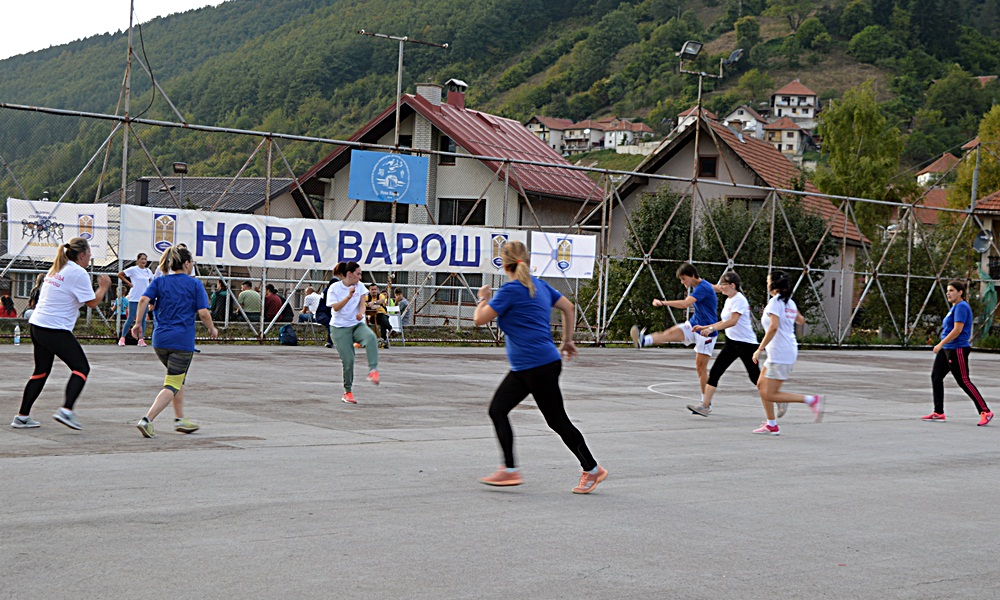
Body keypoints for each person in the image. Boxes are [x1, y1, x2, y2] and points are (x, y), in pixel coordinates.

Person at [473, 241, 608, 494]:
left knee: (556, 420)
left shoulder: (511, 290)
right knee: (499, 410)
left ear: (504, 263)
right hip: (535, 365)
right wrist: (567, 341)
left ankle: (592, 469)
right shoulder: (539, 286)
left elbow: (480, 319)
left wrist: (483, 299)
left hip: (534, 366)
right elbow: (568, 307)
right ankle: (510, 470)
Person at [11, 237, 111, 430]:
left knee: (41, 371)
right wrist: (104, 287)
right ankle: (66, 410)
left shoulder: (57, 268)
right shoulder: (78, 272)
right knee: (81, 368)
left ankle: (22, 416)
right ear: (81, 255)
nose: (90, 257)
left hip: (38, 326)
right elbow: (91, 303)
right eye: (89, 254)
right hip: (54, 328)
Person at [134, 246, 219, 438]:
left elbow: (143, 300)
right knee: (172, 383)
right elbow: (204, 312)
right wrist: (212, 328)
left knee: (178, 378)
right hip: (181, 341)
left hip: (159, 340)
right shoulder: (194, 284)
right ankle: (147, 420)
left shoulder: (160, 281)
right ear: (187, 263)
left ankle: (180, 419)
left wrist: (138, 323)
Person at [630, 263, 719, 405]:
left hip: (706, 332)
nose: (682, 282)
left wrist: (662, 303)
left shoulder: (702, 288)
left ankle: (705, 403)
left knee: (701, 368)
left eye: (684, 279)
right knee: (671, 332)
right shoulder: (703, 285)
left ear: (692, 275)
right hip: (694, 324)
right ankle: (643, 340)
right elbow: (717, 288)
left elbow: (685, 304)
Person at [750, 270, 824, 436]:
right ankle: (771, 424)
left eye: (768, 281)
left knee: (770, 393)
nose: (767, 283)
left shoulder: (776, 303)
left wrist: (759, 349)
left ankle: (811, 400)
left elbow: (773, 327)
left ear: (773, 284)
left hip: (780, 353)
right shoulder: (789, 302)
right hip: (783, 350)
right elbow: (801, 320)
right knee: (761, 386)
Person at [687, 271, 760, 416]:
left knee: (755, 378)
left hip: (746, 345)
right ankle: (705, 406)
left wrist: (712, 329)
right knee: (715, 372)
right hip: (732, 343)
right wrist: (706, 327)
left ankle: (777, 398)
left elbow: (732, 321)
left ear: (732, 285)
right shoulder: (729, 300)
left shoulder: (739, 300)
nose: (721, 287)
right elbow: (724, 321)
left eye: (723, 284)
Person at [924, 280, 993, 425]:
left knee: (964, 381)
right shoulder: (954, 308)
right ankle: (939, 411)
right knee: (936, 377)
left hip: (957, 348)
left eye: (952, 290)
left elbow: (957, 330)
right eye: (948, 290)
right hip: (947, 349)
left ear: (960, 292)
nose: (948, 293)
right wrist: (943, 345)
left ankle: (985, 411)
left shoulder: (961, 307)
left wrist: (940, 344)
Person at [327, 262, 380, 404]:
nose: (360, 277)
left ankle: (373, 370)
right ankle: (347, 392)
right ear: (349, 274)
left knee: (371, 337)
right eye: (358, 274)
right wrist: (348, 297)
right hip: (339, 328)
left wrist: (361, 314)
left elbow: (362, 304)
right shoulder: (335, 288)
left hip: (356, 324)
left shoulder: (360, 286)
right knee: (349, 360)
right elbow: (336, 308)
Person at [117, 252, 154, 346]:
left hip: (144, 298)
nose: (143, 261)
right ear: (138, 260)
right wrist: (128, 283)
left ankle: (141, 339)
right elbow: (120, 274)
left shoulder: (148, 271)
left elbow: (153, 281)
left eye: (145, 259)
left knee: (142, 320)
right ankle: (122, 338)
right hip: (134, 297)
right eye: (142, 259)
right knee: (130, 318)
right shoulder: (133, 269)